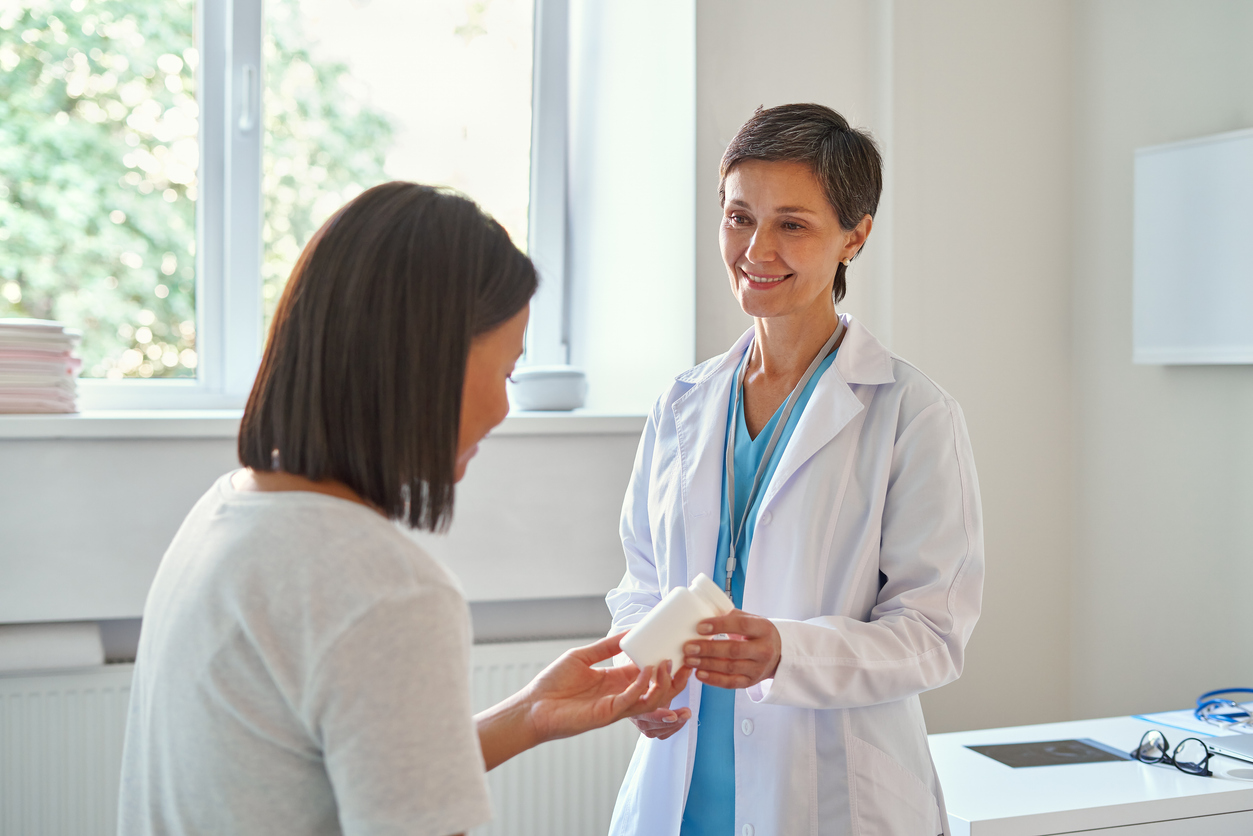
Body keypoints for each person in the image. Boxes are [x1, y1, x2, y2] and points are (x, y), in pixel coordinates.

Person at [117, 182, 688, 836]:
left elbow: (325, 778)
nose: (504, 410)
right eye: (506, 372)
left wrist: (529, 713)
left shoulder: (230, 511)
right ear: (428, 359)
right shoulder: (385, 590)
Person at [606, 103, 985, 836]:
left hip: (827, 796)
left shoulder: (911, 413)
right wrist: (639, 668)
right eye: (739, 216)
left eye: (791, 224)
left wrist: (789, 650)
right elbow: (641, 582)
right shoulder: (681, 404)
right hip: (680, 789)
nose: (755, 248)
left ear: (854, 237)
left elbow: (932, 634)